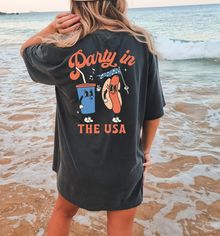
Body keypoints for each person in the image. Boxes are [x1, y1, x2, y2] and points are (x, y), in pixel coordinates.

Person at [20, 0, 166, 235]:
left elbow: (26, 51)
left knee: (63, 212)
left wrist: (51, 29)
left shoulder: (64, 46)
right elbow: (153, 112)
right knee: (121, 225)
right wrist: (144, 152)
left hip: (77, 166)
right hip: (125, 165)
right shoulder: (141, 44)